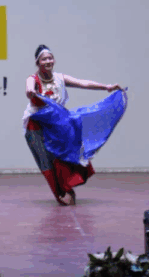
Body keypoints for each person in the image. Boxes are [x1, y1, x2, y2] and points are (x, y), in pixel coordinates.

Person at [23, 45, 125, 206]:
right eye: (44, 59)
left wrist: (106, 87)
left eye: (50, 58)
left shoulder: (59, 78)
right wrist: (30, 91)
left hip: (56, 123)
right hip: (37, 125)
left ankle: (68, 189)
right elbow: (29, 88)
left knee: (65, 155)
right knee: (47, 160)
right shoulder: (33, 79)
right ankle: (60, 193)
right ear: (38, 62)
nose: (48, 61)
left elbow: (83, 83)